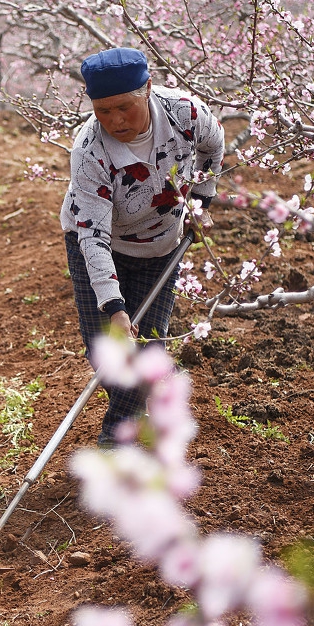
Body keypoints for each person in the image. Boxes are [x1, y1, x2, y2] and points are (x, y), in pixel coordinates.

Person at [59, 47, 224, 448]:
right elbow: (93, 235)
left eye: (124, 108)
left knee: (147, 348)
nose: (115, 121)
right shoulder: (89, 152)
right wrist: (115, 309)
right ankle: (131, 422)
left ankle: (116, 443)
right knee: (107, 351)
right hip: (98, 244)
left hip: (160, 245)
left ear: (148, 89)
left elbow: (213, 144)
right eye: (103, 111)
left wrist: (200, 202)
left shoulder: (185, 113)